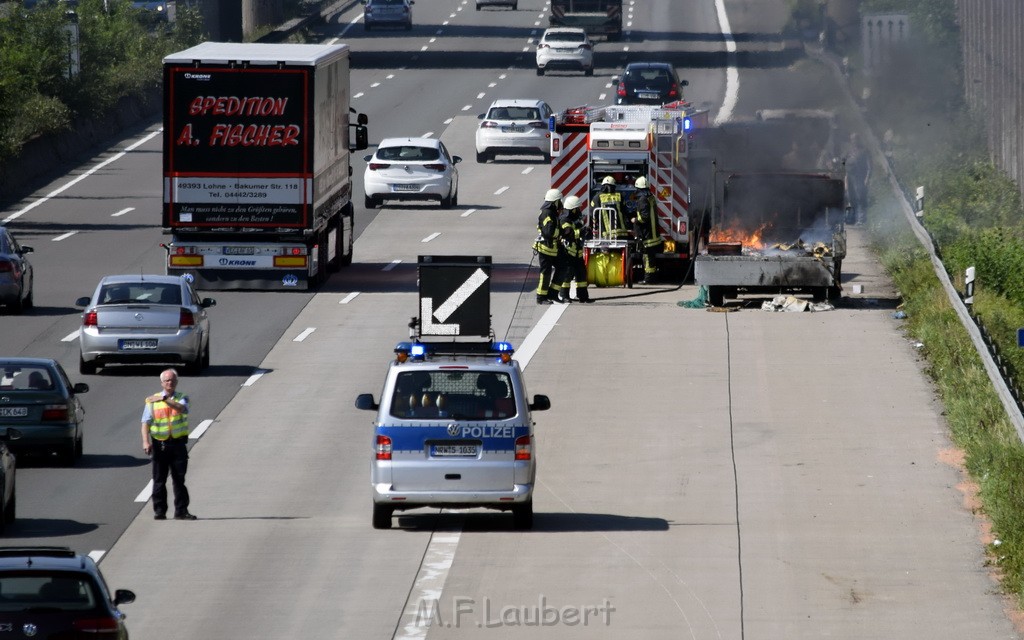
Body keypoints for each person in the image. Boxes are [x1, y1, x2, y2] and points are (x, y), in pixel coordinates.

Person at [141, 369, 196, 520]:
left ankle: (181, 511)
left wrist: (164, 399)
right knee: (159, 480)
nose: (169, 383)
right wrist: (146, 441)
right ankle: (159, 511)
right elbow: (145, 423)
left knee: (179, 479)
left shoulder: (181, 398)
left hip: (178, 445)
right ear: (162, 383)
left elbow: (181, 409)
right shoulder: (151, 401)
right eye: (166, 381)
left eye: (172, 380)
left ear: (176, 382)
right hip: (160, 445)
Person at [556, 195, 591, 302]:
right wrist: (580, 232)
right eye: (578, 209)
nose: (579, 210)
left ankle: (583, 296)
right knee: (567, 275)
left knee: (581, 274)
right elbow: (568, 234)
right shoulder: (564, 219)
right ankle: (564, 295)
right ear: (573, 209)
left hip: (577, 252)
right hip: (567, 252)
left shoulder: (574, 219)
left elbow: (578, 230)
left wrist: (586, 231)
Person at [629, 176, 663, 284]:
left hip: (647, 235)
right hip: (653, 234)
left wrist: (635, 220)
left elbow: (644, 217)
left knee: (647, 258)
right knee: (650, 257)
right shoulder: (650, 197)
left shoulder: (642, 199)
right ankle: (651, 278)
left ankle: (648, 279)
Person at [533, 188, 563, 304]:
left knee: (562, 268)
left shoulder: (552, 213)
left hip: (552, 248)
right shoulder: (547, 214)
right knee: (545, 273)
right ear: (554, 202)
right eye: (558, 201)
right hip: (546, 248)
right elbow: (548, 232)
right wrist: (560, 233)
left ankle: (553, 293)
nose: (560, 203)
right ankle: (541, 297)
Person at [845, 133, 871, 225]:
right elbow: (846, 165)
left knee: (860, 198)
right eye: (852, 139)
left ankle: (861, 219)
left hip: (860, 177)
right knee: (851, 198)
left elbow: (869, 167)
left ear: (858, 139)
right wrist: (846, 180)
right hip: (850, 177)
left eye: (855, 139)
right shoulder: (850, 151)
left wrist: (867, 178)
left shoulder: (864, 151)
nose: (854, 141)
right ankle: (854, 218)